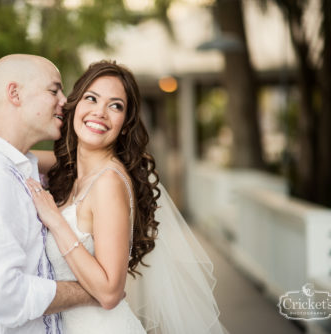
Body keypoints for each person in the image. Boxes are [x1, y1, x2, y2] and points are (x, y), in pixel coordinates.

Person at [26, 61, 227, 333]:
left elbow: (110, 293)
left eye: (115, 105)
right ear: (74, 105)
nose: (100, 112)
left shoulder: (108, 182)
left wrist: (56, 222)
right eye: (91, 98)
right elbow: (19, 158)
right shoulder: (73, 170)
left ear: (125, 124)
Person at [0, 54, 103, 334]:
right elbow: (3, 295)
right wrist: (92, 292)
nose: (65, 100)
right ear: (14, 93)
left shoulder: (17, 169)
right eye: (54, 90)